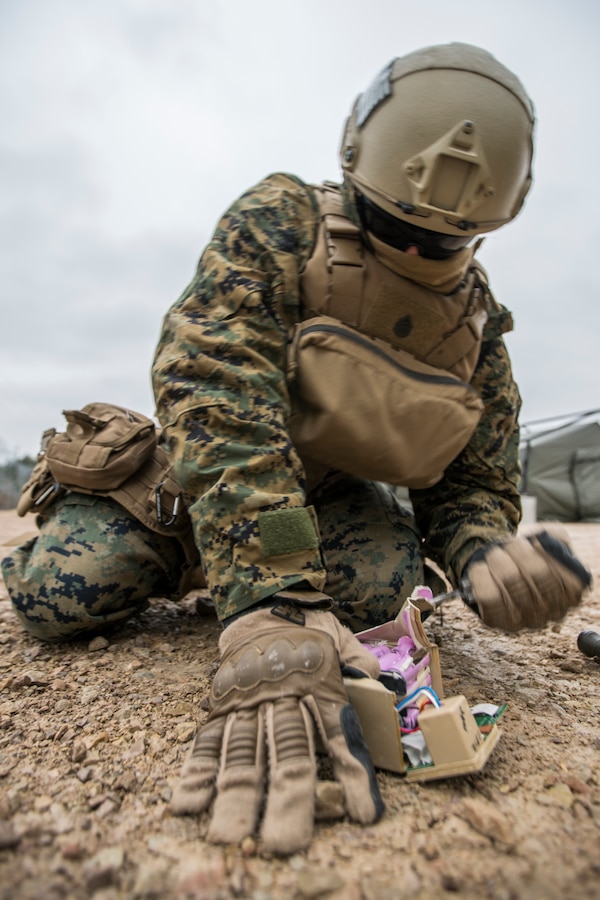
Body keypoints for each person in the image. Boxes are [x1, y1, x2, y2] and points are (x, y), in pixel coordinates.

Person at [2, 43, 591, 856]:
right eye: (393, 229)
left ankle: (271, 586)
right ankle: (103, 515)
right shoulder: (283, 220)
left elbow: (474, 478)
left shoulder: (475, 327)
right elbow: (217, 394)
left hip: (332, 502)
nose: (415, 253)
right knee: (58, 598)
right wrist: (273, 599)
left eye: (439, 243)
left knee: (386, 586)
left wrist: (483, 547)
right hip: (203, 482)